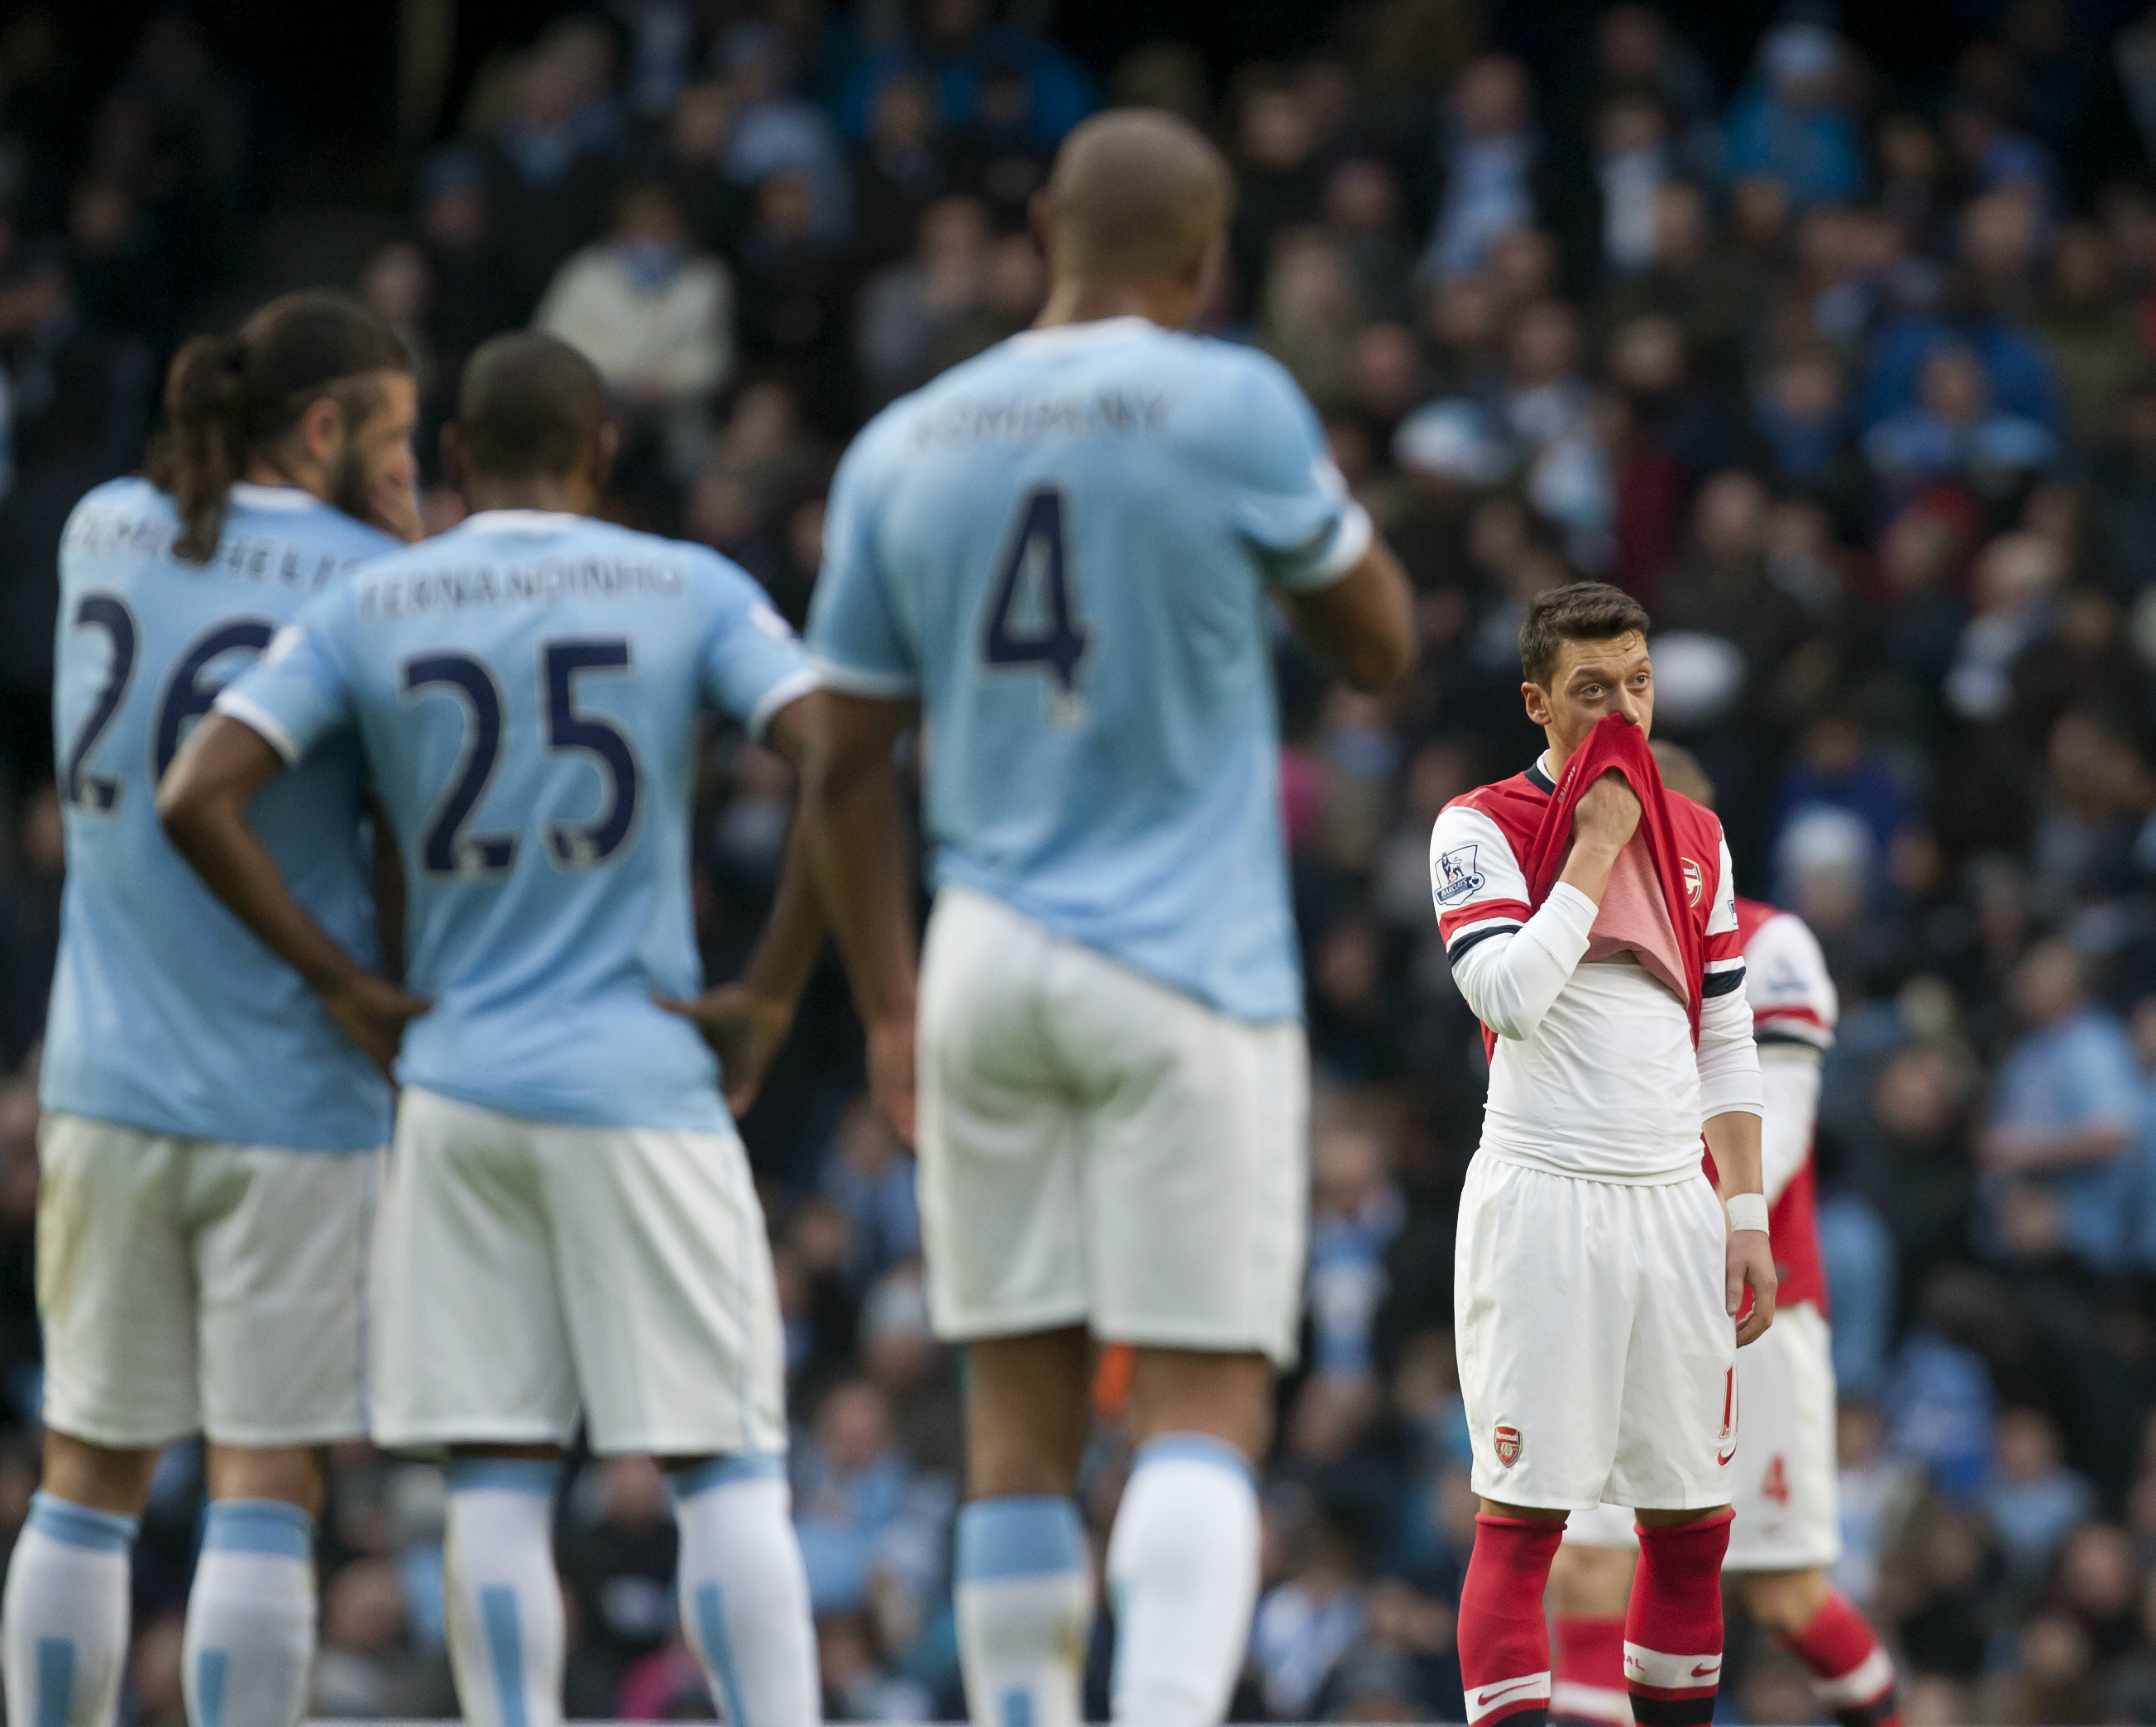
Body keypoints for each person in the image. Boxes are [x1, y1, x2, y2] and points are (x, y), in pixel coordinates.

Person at [794, 108, 1415, 1727]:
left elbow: (841, 762)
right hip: (1185, 962)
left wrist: (888, 1004)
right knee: (1199, 1396)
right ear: (1206, 261)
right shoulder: (1231, 402)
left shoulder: (904, 442)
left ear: (1044, 236)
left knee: (1016, 1416)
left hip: (980, 957)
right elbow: (1378, 644)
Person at [155, 331, 829, 1727]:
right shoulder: (687, 584)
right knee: (725, 1468)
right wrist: (771, 987)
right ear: (600, 455)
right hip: (643, 1075)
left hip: (456, 1083)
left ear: (457, 456)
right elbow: (841, 753)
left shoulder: (374, 603)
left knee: (496, 1483)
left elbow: (198, 791)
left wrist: (343, 980)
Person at [2, 290, 419, 1727]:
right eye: (396, 436)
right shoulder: (373, 579)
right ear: (326, 426)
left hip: (103, 1078)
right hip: (292, 1090)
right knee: (264, 1477)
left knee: (84, 1471)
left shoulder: (102, 527)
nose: (405, 463)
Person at [1427, 580, 1773, 1727]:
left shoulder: (1701, 836)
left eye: (1638, 683)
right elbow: (1507, 996)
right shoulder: (1478, 826)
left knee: (1692, 1526)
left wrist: (1745, 1215)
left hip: (1675, 1201)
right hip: (1545, 1195)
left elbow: (1723, 1035)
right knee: (1525, 1523)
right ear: (1537, 703)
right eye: (1591, 690)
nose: (1623, 712)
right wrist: (1594, 851)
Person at [1545, 740, 1900, 1727]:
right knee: (1585, 1573)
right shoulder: (1577, 949)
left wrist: (1656, 1217)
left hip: (1747, 1311)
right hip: (1619, 1301)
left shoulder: (1769, 942)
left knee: (1785, 1600)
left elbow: (1770, 1139)